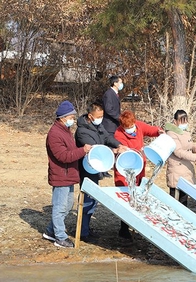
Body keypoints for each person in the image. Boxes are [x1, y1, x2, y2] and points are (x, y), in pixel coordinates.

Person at [75, 100, 128, 242]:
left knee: (93, 200)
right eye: (98, 116)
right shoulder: (82, 131)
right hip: (87, 169)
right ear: (90, 116)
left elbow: (106, 137)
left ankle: (86, 228)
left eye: (102, 115)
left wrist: (119, 144)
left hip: (97, 169)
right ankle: (83, 232)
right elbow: (95, 149)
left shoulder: (97, 126)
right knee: (87, 200)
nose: (101, 119)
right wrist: (114, 150)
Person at [43, 101, 92, 248]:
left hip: (68, 174)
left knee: (68, 204)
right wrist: (82, 150)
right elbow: (63, 156)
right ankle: (60, 237)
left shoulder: (65, 130)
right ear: (63, 117)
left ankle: (50, 231)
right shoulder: (54, 134)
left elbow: (70, 151)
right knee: (60, 207)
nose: (73, 119)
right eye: (71, 116)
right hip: (61, 175)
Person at [114, 110, 164, 239]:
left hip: (140, 168)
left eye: (132, 126)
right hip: (125, 169)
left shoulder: (139, 126)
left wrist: (158, 131)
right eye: (127, 128)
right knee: (127, 198)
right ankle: (124, 228)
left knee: (139, 195)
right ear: (122, 127)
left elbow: (151, 130)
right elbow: (124, 152)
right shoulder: (118, 134)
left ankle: (138, 224)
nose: (131, 129)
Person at [165, 110, 196, 206]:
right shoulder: (171, 134)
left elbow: (187, 145)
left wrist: (195, 147)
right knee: (174, 198)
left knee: (184, 197)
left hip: (186, 168)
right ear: (175, 121)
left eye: (186, 121)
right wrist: (195, 157)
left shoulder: (185, 132)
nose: (184, 124)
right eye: (182, 121)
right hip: (177, 168)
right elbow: (178, 151)